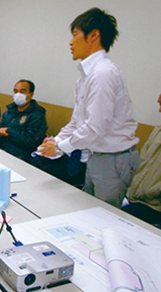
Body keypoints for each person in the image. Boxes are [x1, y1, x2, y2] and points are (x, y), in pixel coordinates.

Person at [38, 8, 139, 208]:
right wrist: (54, 141)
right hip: (95, 156)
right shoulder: (86, 75)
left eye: (75, 35)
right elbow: (78, 122)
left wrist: (60, 147)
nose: (70, 42)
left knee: (107, 217)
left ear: (93, 35)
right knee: (91, 211)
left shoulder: (103, 73)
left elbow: (94, 128)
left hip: (113, 160)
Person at [122, 94, 161, 227]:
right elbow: (143, 165)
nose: (159, 110)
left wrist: (146, 193)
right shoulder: (157, 131)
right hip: (136, 198)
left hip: (154, 205)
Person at [0, 80, 47, 162]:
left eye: (22, 91)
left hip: (21, 157)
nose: (18, 94)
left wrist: (9, 131)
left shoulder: (37, 115)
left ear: (31, 94)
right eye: (15, 91)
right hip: (2, 151)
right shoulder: (9, 112)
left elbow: (31, 141)